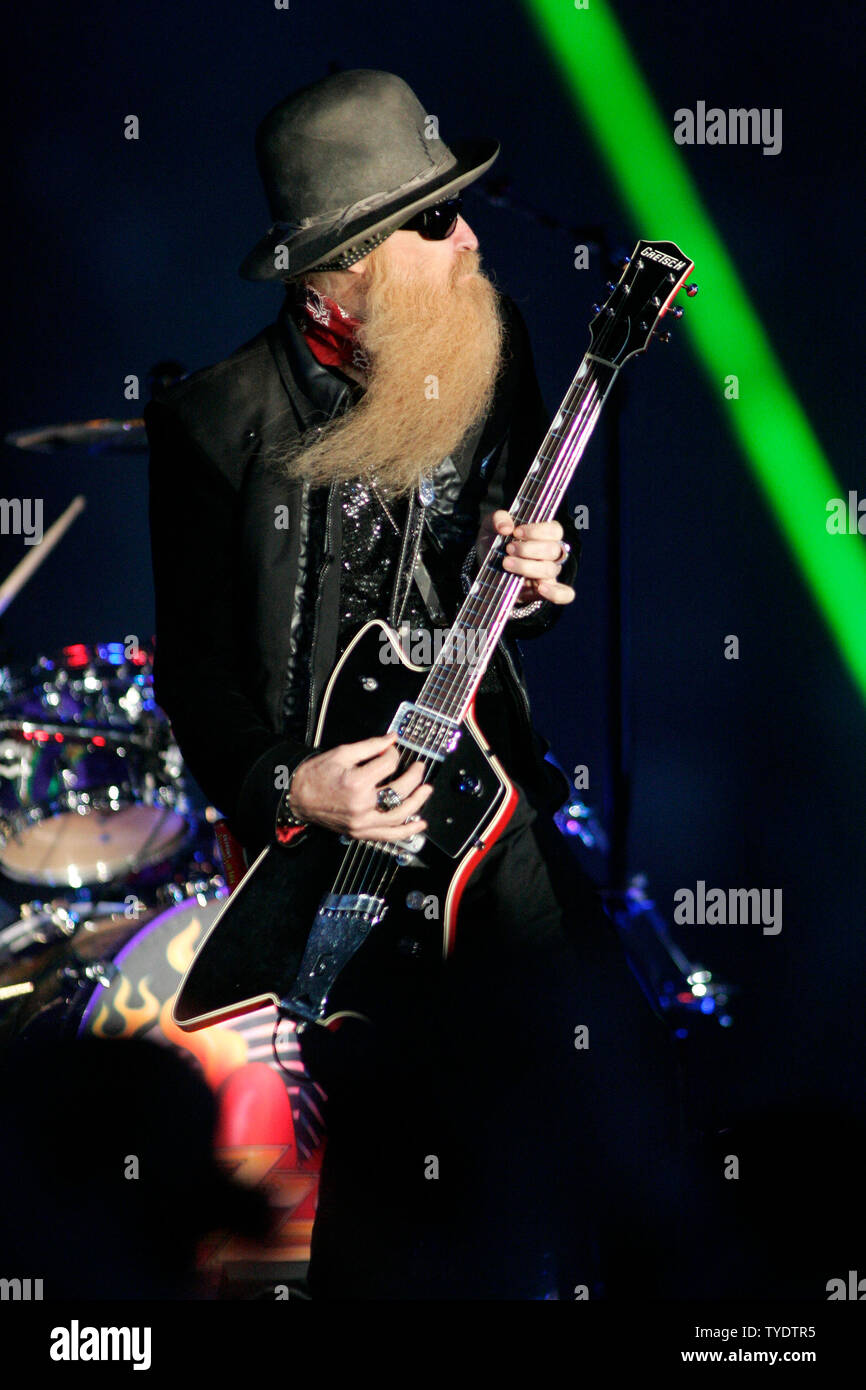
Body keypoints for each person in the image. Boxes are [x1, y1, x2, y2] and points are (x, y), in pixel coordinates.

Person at [146, 69, 689, 1299]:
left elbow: (509, 564)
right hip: (350, 846)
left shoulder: (490, 352)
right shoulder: (212, 421)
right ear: (340, 260)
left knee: (629, 1102)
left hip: (490, 809)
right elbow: (194, 670)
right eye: (434, 221)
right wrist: (289, 785)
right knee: (405, 1180)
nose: (471, 237)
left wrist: (542, 568)